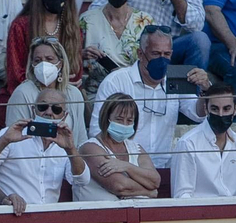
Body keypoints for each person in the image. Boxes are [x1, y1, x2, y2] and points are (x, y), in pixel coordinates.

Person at [90, 27, 211, 168]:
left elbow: (197, 113)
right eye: (155, 53)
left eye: (166, 54)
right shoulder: (116, 81)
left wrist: (205, 89)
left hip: (163, 165)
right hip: (125, 166)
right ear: (140, 53)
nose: (162, 59)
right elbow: (96, 130)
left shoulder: (176, 77)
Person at [0, 87, 89, 205]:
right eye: (42, 107)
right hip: (10, 213)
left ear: (64, 116)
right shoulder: (11, 134)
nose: (49, 112)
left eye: (56, 109)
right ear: (34, 110)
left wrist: (71, 149)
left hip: (45, 218)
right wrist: (4, 141)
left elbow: (81, 180)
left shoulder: (65, 143)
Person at [2, 0, 85, 118]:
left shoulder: (73, 29)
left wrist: (60, 88)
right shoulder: (21, 25)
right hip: (28, 95)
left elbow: (76, 73)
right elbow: (15, 74)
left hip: (63, 96)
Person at [170, 83, 236, 196]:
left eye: (226, 109)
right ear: (206, 109)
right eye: (215, 109)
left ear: (235, 110)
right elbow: (182, 195)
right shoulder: (188, 144)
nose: (220, 114)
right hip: (199, 212)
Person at [6, 37, 90, 146]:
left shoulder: (74, 94)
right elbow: (13, 137)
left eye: (49, 59)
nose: (43, 64)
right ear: (32, 65)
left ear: (60, 64)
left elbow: (81, 139)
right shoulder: (22, 93)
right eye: (37, 60)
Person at [77, 92, 160, 200]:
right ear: (107, 118)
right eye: (119, 119)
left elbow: (155, 181)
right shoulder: (90, 148)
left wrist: (126, 166)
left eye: (129, 120)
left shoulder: (136, 148)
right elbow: (119, 186)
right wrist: (148, 192)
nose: (124, 124)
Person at [80, 0, 151, 92]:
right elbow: (71, 58)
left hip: (136, 93)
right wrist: (81, 55)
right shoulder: (87, 20)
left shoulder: (146, 22)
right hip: (97, 93)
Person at [125, 0, 210, 71]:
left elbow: (197, 26)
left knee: (200, 40)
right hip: (135, 44)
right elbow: (102, 5)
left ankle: (190, 86)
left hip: (168, 49)